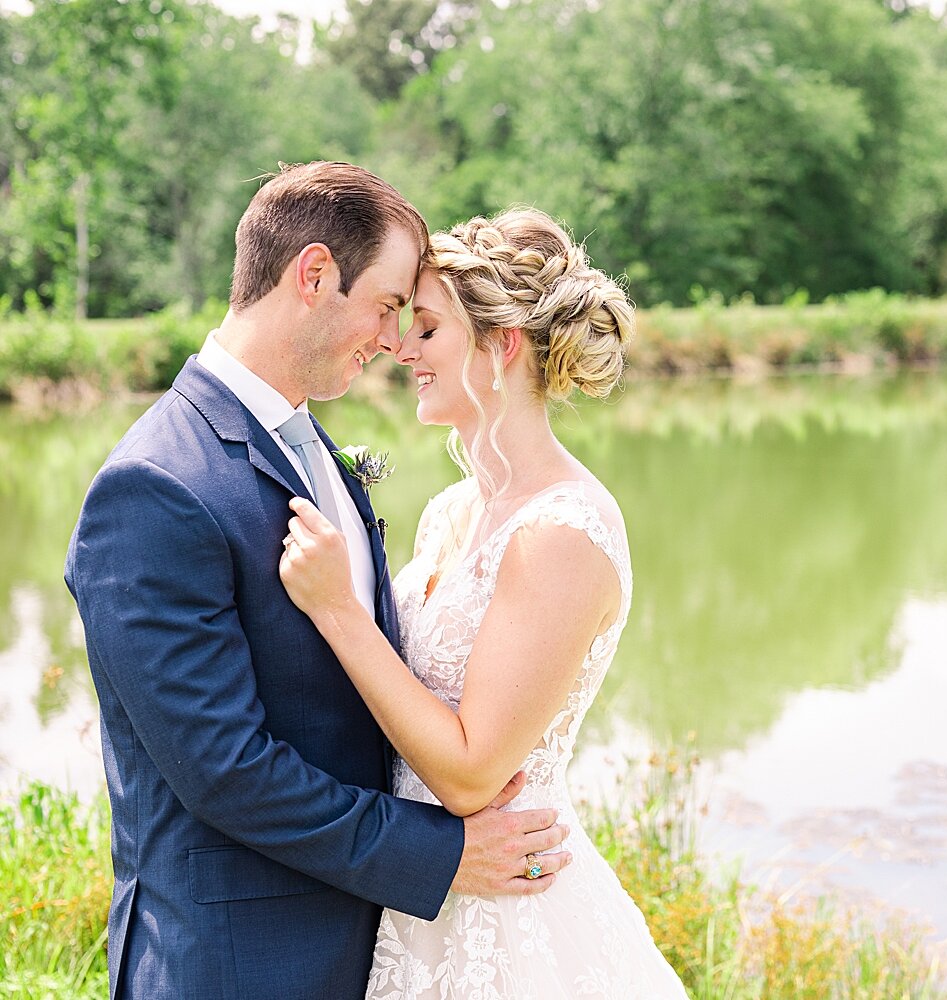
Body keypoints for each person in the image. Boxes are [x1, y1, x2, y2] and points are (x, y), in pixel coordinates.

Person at [64, 162, 571, 1000]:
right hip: (238, 962)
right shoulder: (157, 487)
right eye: (383, 306)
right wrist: (440, 853)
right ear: (313, 275)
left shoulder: (307, 444)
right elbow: (224, 769)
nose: (391, 339)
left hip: (364, 943)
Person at [278, 207, 689, 997]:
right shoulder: (452, 512)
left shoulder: (562, 532)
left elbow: (471, 774)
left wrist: (336, 610)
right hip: (422, 888)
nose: (401, 350)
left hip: (508, 917)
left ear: (502, 348)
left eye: (427, 330)